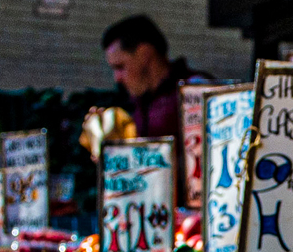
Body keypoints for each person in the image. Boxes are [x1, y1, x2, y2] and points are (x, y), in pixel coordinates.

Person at [88, 13, 207, 210]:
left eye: (120, 67)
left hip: (193, 223)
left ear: (144, 54)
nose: (117, 78)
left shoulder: (195, 91)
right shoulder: (139, 104)